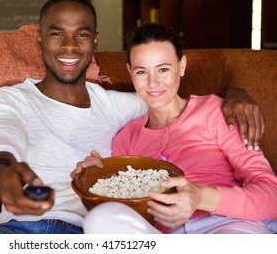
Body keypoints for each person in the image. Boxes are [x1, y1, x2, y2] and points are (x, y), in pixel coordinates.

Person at [0, 0, 265, 234]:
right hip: (16, 233)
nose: (68, 46)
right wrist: (2, 173)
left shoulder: (118, 105)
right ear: (40, 41)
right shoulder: (10, 99)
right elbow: (3, 140)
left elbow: (170, 100)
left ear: (95, 41)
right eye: (56, 33)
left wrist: (234, 93)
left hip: (93, 236)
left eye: (81, 35)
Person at [74, 23, 277, 234]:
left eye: (163, 69)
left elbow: (272, 196)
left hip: (228, 226)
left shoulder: (215, 112)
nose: (153, 83)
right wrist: (92, 178)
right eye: (142, 71)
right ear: (130, 72)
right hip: (165, 236)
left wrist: (200, 197)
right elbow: (123, 203)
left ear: (181, 66)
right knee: (99, 219)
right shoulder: (125, 139)